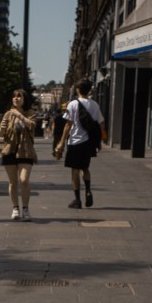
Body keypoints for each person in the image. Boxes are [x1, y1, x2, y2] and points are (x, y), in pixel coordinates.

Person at [54, 79, 105, 208]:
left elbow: (68, 125)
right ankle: (88, 190)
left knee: (75, 170)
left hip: (75, 141)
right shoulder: (95, 105)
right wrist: (99, 141)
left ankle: (77, 199)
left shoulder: (73, 104)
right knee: (85, 168)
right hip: (89, 142)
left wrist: (61, 143)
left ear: (77, 90)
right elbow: (101, 123)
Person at [0, 88, 38, 221]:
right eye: (14, 96)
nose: (16, 98)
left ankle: (25, 209)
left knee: (24, 180)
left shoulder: (30, 113)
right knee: (13, 182)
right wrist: (3, 127)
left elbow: (31, 125)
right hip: (10, 150)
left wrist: (18, 115)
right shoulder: (8, 114)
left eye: (19, 96)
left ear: (25, 99)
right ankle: (15, 208)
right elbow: (1, 133)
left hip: (25, 150)